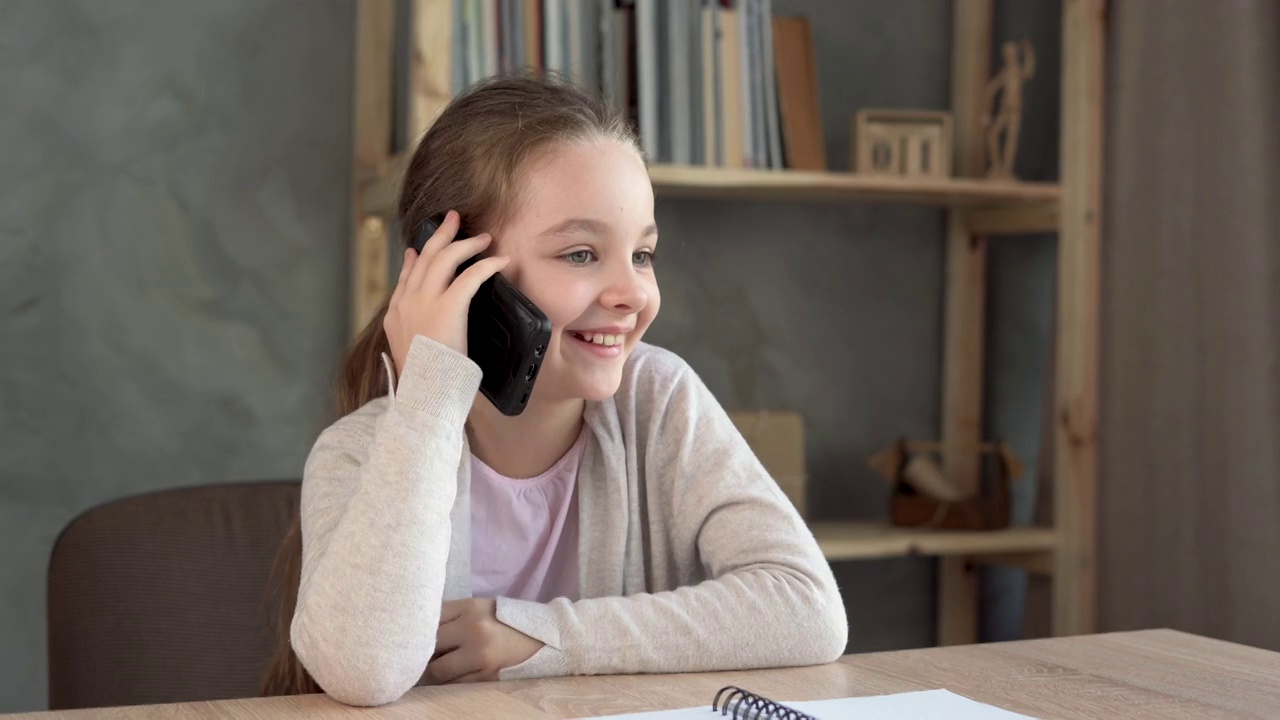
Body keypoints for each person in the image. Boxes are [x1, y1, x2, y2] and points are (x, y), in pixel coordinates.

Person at [260, 73, 847, 707]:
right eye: (580, 254)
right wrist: (429, 390)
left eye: (642, 255)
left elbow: (808, 608)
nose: (633, 295)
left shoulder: (658, 401)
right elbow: (363, 671)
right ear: (453, 269)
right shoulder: (360, 451)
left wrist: (541, 637)